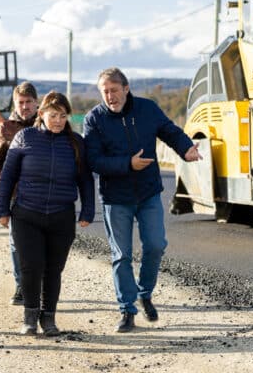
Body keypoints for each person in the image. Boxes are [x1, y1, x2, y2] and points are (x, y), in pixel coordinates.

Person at [83, 68, 202, 333]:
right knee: (121, 255)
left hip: (148, 193)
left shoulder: (147, 109)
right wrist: (128, 164)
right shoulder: (94, 119)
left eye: (114, 90)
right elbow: (94, 161)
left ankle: (145, 292)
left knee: (156, 245)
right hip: (116, 198)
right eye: (105, 92)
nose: (110, 96)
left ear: (126, 88)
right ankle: (127, 311)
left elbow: (169, 131)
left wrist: (186, 148)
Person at [0, 91, 94, 336]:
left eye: (63, 115)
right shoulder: (24, 137)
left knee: (53, 269)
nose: (59, 120)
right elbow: (8, 176)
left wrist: (88, 210)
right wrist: (2, 210)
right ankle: (29, 317)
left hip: (61, 215)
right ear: (41, 114)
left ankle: (48, 319)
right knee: (31, 267)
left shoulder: (76, 142)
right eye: (53, 115)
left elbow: (85, 180)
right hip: (26, 214)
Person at [0, 81, 39, 305]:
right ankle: (21, 286)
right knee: (17, 242)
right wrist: (6, 186)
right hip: (18, 196)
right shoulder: (5, 128)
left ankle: (41, 285)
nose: (25, 106)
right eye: (21, 102)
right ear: (15, 104)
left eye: (29, 102)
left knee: (43, 243)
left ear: (37, 103)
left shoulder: (47, 124)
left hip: (45, 194)